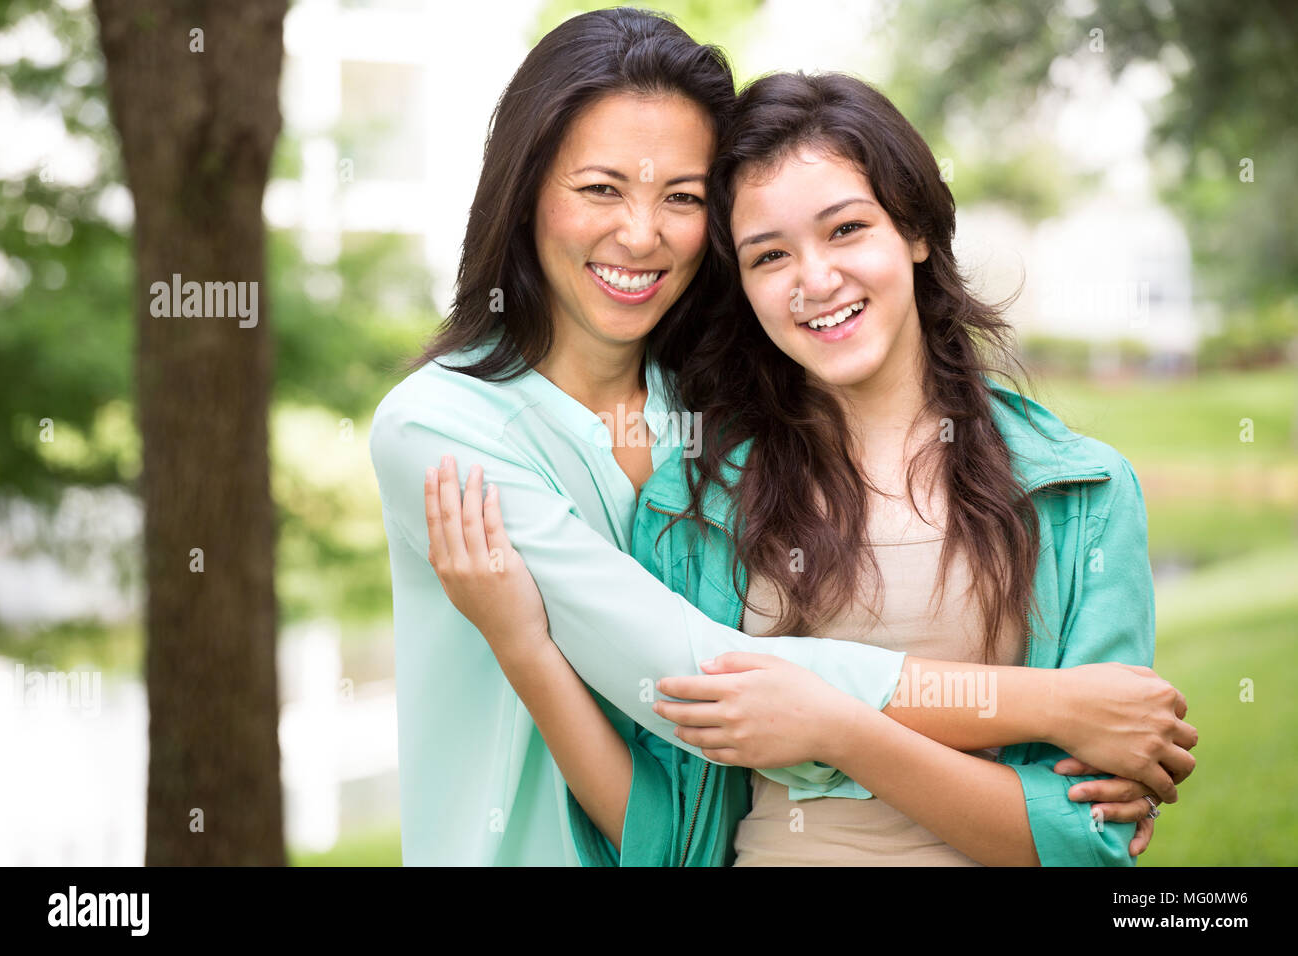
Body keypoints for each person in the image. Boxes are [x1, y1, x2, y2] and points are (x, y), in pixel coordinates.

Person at [372, 9, 1192, 866]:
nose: (643, 232)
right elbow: (694, 699)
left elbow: (1087, 835)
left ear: (914, 227)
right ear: (527, 189)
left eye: (682, 197)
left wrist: (844, 727)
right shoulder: (506, 444)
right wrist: (1058, 705)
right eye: (601, 188)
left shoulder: (1075, 490)